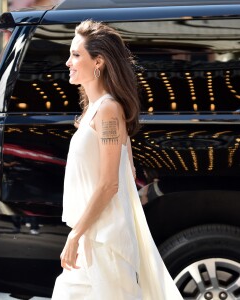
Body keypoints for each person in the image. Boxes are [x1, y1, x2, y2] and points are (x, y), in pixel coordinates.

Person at [51, 20, 183, 300]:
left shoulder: (108, 110)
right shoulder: (93, 111)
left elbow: (110, 183)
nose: (68, 62)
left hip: (105, 240)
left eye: (76, 54)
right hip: (93, 236)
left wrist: (76, 235)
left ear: (98, 61)